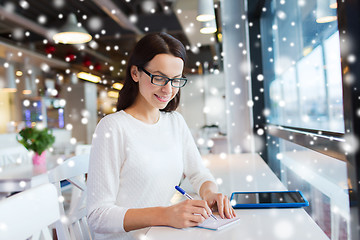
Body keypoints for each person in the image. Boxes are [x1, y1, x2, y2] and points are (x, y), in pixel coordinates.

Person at [87, 32, 236, 239]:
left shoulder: (175, 122)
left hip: (161, 234)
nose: (168, 89)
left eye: (176, 80)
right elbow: (97, 216)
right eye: (159, 78)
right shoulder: (112, 127)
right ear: (135, 73)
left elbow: (199, 174)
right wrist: (164, 214)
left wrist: (210, 194)